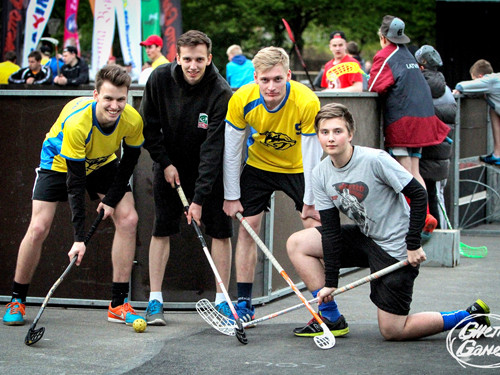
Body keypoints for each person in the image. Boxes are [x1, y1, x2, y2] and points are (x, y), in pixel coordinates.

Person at [286, 102, 490, 340]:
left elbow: (418, 193)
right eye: (325, 132)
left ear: (350, 134)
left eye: (337, 131)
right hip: (366, 237)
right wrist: (330, 283)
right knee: (298, 243)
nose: (331, 138)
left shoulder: (375, 160)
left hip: (396, 248)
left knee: (393, 330)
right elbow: (330, 232)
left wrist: (413, 244)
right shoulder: (320, 173)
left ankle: (469, 317)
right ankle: (330, 317)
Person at [2, 65, 145, 326]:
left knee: (128, 218)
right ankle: (17, 299)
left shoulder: (132, 119)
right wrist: (79, 239)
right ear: (95, 95)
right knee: (38, 228)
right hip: (60, 162)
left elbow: (129, 161)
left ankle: (118, 303)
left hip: (102, 162)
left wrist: (111, 199)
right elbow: (76, 184)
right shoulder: (79, 123)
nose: (114, 106)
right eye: (108, 99)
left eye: (121, 99)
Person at [222, 46, 324, 323]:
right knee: (247, 228)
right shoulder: (242, 98)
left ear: (288, 75)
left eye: (278, 79)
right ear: (255, 77)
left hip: (299, 167)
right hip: (259, 166)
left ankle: (325, 308)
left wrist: (312, 199)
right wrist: (231, 195)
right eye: (265, 80)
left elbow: (314, 155)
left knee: (314, 228)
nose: (271, 86)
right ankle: (244, 304)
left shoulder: (306, 101)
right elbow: (232, 149)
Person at [139, 30, 233, 326]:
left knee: (220, 231)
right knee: (161, 229)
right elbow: (148, 129)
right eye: (188, 59)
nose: (193, 66)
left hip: (209, 170)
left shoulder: (220, 91)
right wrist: (164, 163)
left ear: (210, 59)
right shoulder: (158, 79)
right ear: (177, 57)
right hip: (168, 165)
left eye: (200, 60)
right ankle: (155, 300)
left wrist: (200, 199)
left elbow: (213, 148)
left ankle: (223, 302)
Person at [368, 15, 451, 239]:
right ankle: (424, 216)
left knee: (405, 172)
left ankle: (419, 222)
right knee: (414, 171)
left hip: (404, 123)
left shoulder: (386, 55)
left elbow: (375, 86)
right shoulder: (408, 54)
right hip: (423, 120)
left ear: (383, 37)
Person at [415, 45, 456, 229]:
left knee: (431, 197)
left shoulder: (420, 85)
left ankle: (442, 242)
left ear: (421, 66)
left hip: (427, 151)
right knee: (435, 195)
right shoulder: (445, 88)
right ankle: (442, 237)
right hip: (440, 151)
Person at [453, 59, 500, 165]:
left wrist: (459, 90)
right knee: (493, 109)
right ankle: (497, 154)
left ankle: (498, 154)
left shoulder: (488, 80)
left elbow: (462, 85)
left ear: (479, 77)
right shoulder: (496, 79)